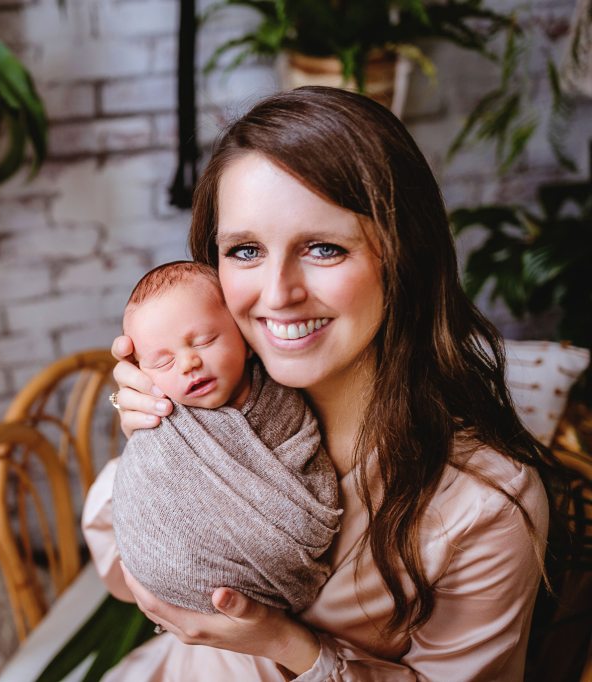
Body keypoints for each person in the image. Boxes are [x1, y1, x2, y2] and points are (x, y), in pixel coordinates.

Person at [81, 86, 552, 681]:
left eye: (324, 248)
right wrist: (158, 441)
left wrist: (284, 643)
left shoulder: (485, 505)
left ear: (403, 255)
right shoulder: (213, 398)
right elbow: (122, 571)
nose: (278, 293)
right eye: (245, 250)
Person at [113, 260, 341, 615]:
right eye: (162, 362)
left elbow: (306, 455)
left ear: (246, 340)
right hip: (181, 589)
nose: (188, 363)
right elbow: (144, 500)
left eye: (204, 341)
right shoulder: (161, 425)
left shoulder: (281, 400)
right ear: (141, 374)